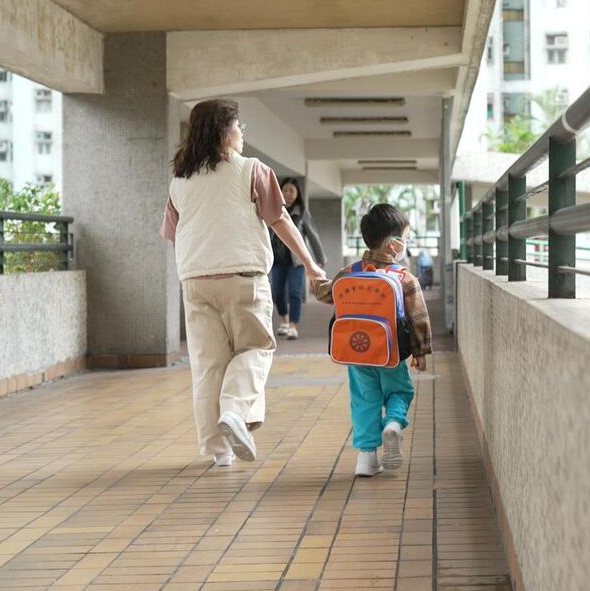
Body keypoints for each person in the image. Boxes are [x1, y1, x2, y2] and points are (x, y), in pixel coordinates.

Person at [160, 98, 325, 468]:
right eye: (239, 126)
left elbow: (173, 233)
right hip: (242, 277)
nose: (242, 132)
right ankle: (235, 409)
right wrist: (311, 266)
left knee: (208, 365)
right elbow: (280, 220)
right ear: (224, 131)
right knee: (256, 348)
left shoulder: (180, 181)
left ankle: (219, 452)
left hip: (194, 280)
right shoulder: (251, 170)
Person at [311, 203, 432, 477]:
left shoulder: (350, 272)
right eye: (405, 239)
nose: (406, 245)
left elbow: (326, 294)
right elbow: (419, 317)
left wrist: (314, 278)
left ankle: (366, 459)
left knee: (364, 401)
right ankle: (392, 423)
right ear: (392, 246)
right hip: (390, 354)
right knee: (399, 392)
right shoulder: (403, 278)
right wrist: (420, 352)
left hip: (356, 354)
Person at [269, 178, 326, 340]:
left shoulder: (302, 212)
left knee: (295, 292)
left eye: (291, 191)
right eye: (285, 190)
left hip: (297, 261)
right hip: (278, 258)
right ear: (280, 192)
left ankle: (293, 325)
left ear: (297, 194)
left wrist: (320, 257)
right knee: (277, 293)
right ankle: (284, 321)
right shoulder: (272, 208)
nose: (288, 194)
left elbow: (312, 235)